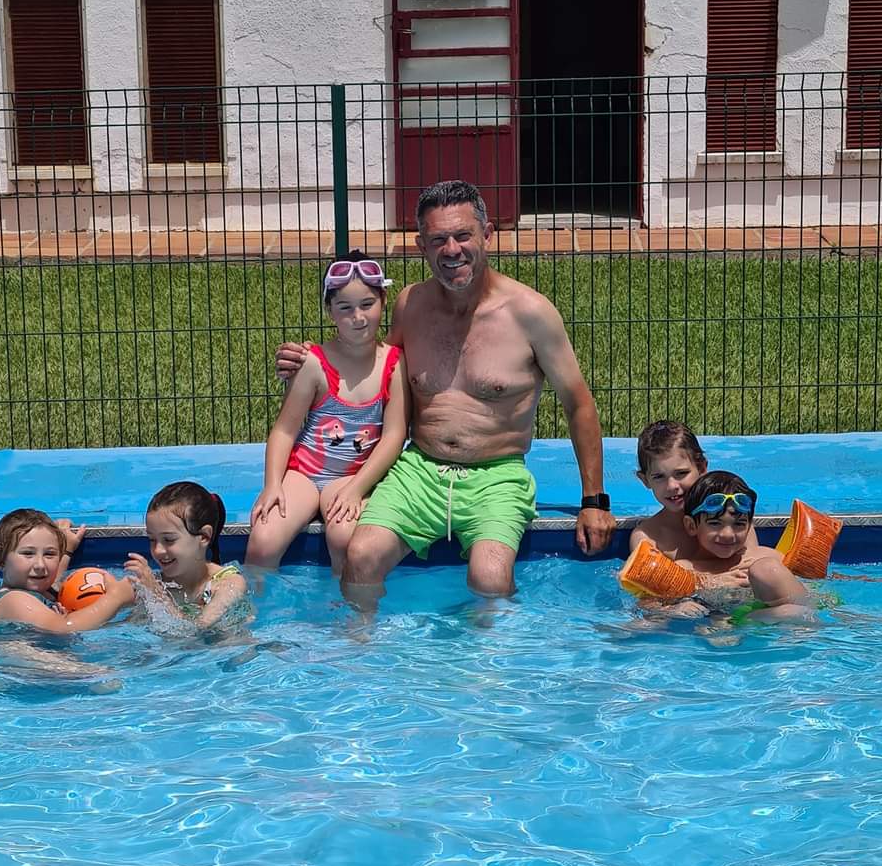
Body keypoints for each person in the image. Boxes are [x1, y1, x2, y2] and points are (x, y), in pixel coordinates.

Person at [277, 179, 615, 601]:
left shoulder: (530, 313)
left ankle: (490, 648)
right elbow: (374, 367)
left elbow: (578, 404)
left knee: (490, 579)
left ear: (487, 235)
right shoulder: (412, 305)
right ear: (422, 246)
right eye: (438, 240)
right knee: (360, 557)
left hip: (497, 475)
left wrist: (594, 501)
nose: (452, 250)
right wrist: (310, 361)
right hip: (419, 468)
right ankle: (358, 646)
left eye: (463, 235)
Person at [248, 253, 410, 574]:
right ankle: (253, 605)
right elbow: (284, 431)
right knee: (263, 539)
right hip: (304, 474)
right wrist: (273, 485)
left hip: (353, 475)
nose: (358, 317)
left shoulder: (394, 364)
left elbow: (394, 437)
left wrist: (357, 489)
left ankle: (342, 607)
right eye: (345, 308)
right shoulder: (314, 363)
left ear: (384, 300)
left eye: (367, 304)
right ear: (329, 310)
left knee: (346, 538)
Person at [673, 471, 814, 623]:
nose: (728, 534)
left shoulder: (767, 557)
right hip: (730, 626)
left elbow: (814, 589)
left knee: (768, 571)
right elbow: (656, 611)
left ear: (749, 526)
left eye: (739, 524)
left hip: (778, 621)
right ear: (691, 525)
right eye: (715, 523)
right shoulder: (684, 570)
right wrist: (676, 609)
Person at [126, 481, 251, 631]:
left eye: (169, 540)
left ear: (204, 537)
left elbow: (197, 631)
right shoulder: (153, 583)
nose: (157, 550)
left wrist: (157, 595)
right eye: (152, 539)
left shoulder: (230, 583)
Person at [0, 507, 135, 631]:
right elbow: (64, 627)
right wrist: (116, 597)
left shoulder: (40, 589)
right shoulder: (12, 600)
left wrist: (67, 550)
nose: (40, 565)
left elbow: (55, 582)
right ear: (1, 561)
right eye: (28, 554)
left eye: (49, 554)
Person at [630, 419, 760, 560]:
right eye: (659, 477)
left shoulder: (734, 518)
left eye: (681, 473)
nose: (672, 486)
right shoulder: (647, 538)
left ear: (701, 468)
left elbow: (751, 564)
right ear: (645, 480)